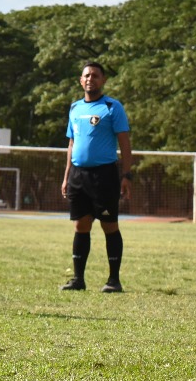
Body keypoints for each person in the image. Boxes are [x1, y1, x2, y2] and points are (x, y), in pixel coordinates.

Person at [59, 61, 132, 294]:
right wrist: (66, 176)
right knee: (81, 225)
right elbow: (71, 143)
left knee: (109, 225)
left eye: (95, 75)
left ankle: (114, 280)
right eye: (86, 75)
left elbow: (125, 144)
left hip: (105, 176)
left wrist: (127, 175)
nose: (90, 79)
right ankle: (78, 279)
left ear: (103, 80)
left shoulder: (112, 107)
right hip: (78, 176)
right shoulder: (74, 108)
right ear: (81, 80)